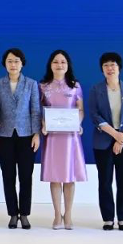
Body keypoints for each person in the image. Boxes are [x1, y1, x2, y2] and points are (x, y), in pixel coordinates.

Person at [89, 51, 123, 231]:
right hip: (103, 140)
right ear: (102, 69)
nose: (109, 68)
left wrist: (122, 137)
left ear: (119, 68)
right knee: (104, 181)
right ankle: (108, 218)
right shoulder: (96, 90)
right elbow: (94, 115)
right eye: (106, 65)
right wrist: (115, 135)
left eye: (113, 65)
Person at [0, 48, 41, 230]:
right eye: (10, 61)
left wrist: (37, 134)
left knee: (26, 176)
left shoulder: (31, 84)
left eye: (16, 61)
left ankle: (25, 214)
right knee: (8, 176)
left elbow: (35, 110)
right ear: (5, 64)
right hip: (4, 135)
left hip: (26, 135)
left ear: (22, 64)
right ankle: (13, 213)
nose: (13, 64)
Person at [39, 50, 87, 231]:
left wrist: (78, 123)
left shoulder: (75, 86)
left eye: (63, 62)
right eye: (56, 62)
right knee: (55, 176)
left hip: (70, 137)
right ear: (50, 65)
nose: (59, 65)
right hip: (52, 137)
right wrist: (44, 124)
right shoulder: (43, 86)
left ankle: (68, 215)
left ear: (68, 65)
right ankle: (57, 214)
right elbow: (39, 110)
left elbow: (80, 110)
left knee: (69, 176)